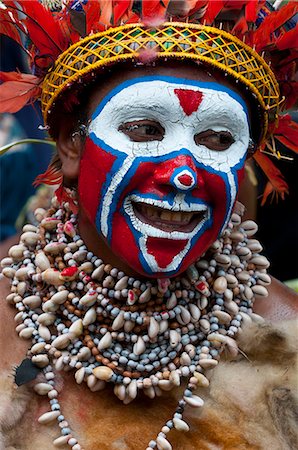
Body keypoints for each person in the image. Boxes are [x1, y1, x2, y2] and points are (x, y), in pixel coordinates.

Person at [0, 1, 297, 449]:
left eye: (218, 139)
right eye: (144, 129)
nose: (184, 172)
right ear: (69, 143)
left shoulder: (287, 342)